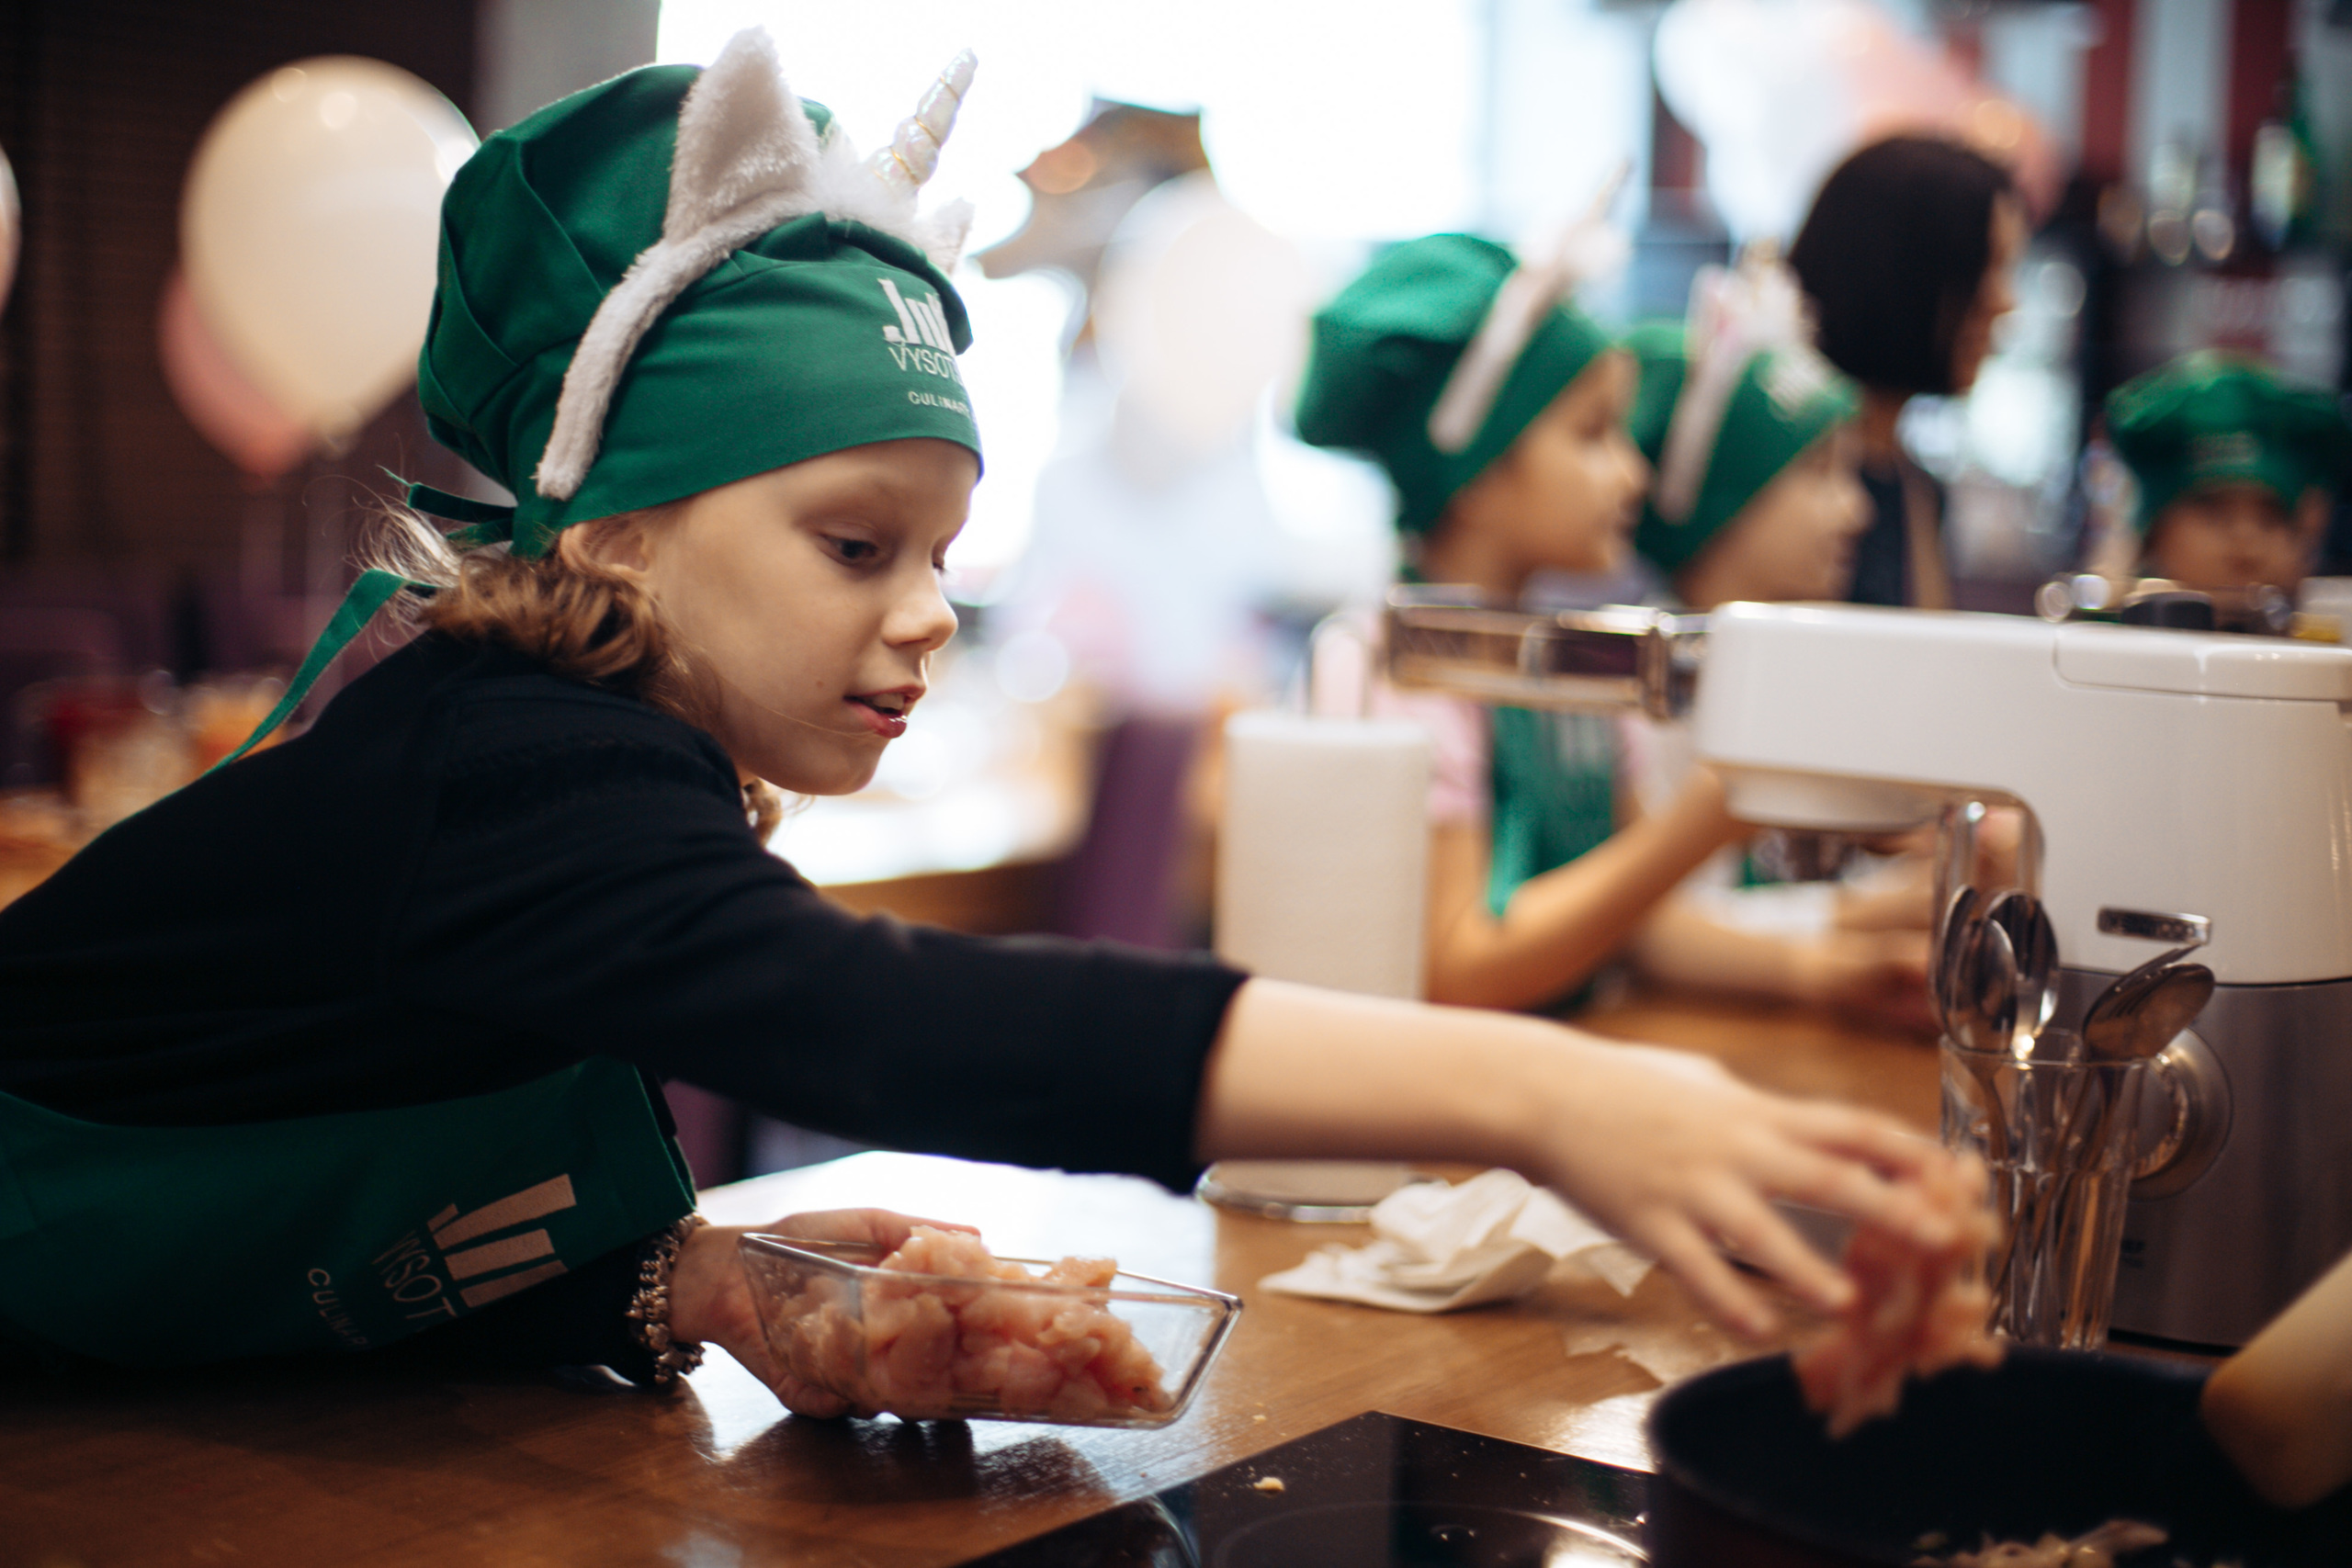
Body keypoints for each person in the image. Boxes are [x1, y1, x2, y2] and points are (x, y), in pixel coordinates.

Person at [0, 34, 1975, 1403]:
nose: (928, 613)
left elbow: (307, 1134)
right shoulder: (509, 759)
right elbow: (891, 1017)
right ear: (614, 524)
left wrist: (675, 1280)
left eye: (943, 547)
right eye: (854, 540)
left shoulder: (567, 744)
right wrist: (1548, 1093)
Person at [1293, 230, 1765, 1014]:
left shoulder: (1576, 655)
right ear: (1474, 473)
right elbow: (1458, 966)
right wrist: (1704, 824)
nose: (1633, 471)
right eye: (1591, 434)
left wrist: (1825, 969)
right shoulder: (1386, 664)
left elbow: (1629, 920)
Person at [1610, 263, 1930, 1032]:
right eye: (1819, 474)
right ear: (1718, 505)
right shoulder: (1647, 687)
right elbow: (1656, 925)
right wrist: (1854, 922)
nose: (1855, 511)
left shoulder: (1780, 665)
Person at [1787, 136, 2026, 609]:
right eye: (1988, 268)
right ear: (1908, 271)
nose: (2005, 302)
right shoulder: (1785, 473)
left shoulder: (1913, 484)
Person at [2102, 350, 2352, 600]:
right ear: (2151, 533)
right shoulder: (2090, 635)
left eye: (2271, 518)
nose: (2247, 543)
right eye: (2215, 512)